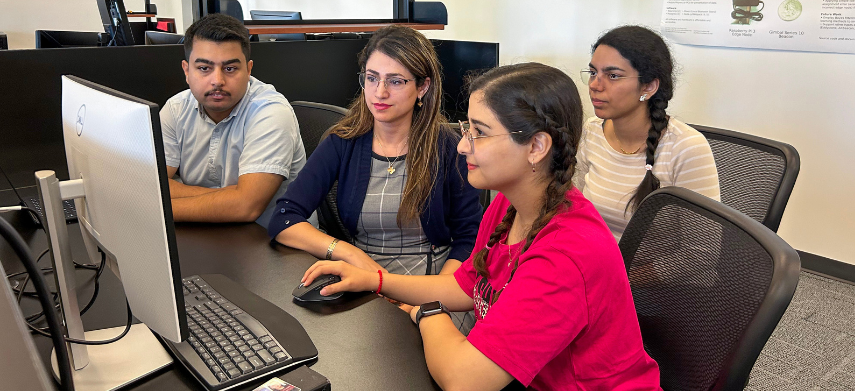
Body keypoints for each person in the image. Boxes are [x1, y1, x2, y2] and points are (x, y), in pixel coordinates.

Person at [299, 63, 662, 391]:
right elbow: (468, 284)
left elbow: (465, 379)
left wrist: (428, 312)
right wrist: (375, 280)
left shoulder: (566, 254)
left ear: (536, 146)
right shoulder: (511, 202)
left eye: (480, 132)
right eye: (466, 128)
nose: (461, 146)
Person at [268, 25, 481, 281]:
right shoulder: (343, 142)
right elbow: (284, 218)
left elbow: (470, 239)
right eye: (372, 78)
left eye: (395, 81)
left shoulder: (449, 147)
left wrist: (436, 295)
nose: (380, 92)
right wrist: (347, 253)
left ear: (423, 87)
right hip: (363, 283)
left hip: (429, 284)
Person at [575, 25, 720, 240]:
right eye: (593, 72)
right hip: (596, 261)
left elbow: (701, 252)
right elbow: (577, 211)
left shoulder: (686, 147)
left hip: (649, 272)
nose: (595, 85)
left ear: (648, 87)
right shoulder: (593, 129)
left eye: (613, 76)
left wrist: (622, 273)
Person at [160, 14, 306, 223]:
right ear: (186, 70)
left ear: (248, 70)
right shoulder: (176, 109)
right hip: (212, 236)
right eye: (204, 68)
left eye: (230, 69)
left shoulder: (270, 112)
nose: (217, 81)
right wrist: (229, 198)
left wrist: (158, 209)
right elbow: (153, 185)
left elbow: (246, 207)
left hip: (274, 243)